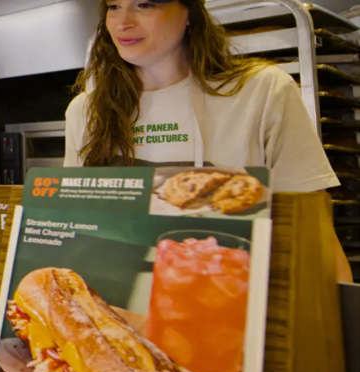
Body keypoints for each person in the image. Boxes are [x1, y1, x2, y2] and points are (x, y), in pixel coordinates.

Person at [63, 0, 350, 281]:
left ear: (190, 12)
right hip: (121, 294)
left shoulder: (261, 91)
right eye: (113, 7)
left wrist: (341, 317)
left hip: (235, 295)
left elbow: (313, 226)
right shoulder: (87, 111)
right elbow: (72, 221)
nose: (123, 22)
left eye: (146, 5)